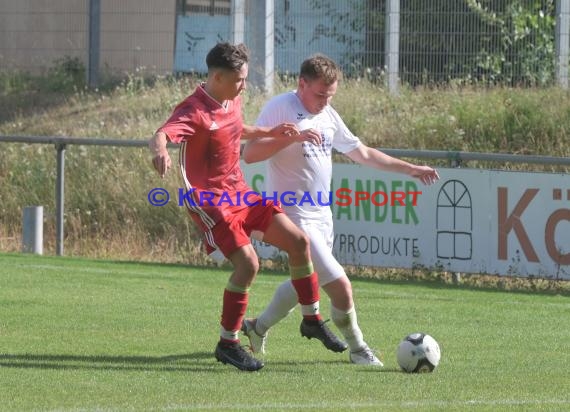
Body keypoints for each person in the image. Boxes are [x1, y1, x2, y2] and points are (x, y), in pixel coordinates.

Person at [148, 43, 347, 372]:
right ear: (217, 76)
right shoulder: (193, 109)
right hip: (210, 200)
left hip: (239, 193)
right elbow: (162, 133)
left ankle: (311, 320)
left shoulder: (231, 98)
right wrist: (160, 149)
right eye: (239, 79)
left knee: (299, 243)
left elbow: (235, 129)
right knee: (248, 265)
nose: (244, 85)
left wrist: (272, 131)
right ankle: (228, 343)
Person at [241, 53, 440, 366]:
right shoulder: (281, 106)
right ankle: (359, 348)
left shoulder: (328, 115)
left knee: (304, 283)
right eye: (320, 94)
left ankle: (256, 327)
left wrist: (411, 169)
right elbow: (250, 154)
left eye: (330, 95)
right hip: (293, 216)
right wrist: (288, 136)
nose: (324, 101)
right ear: (301, 83)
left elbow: (362, 153)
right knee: (341, 286)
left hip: (322, 216)